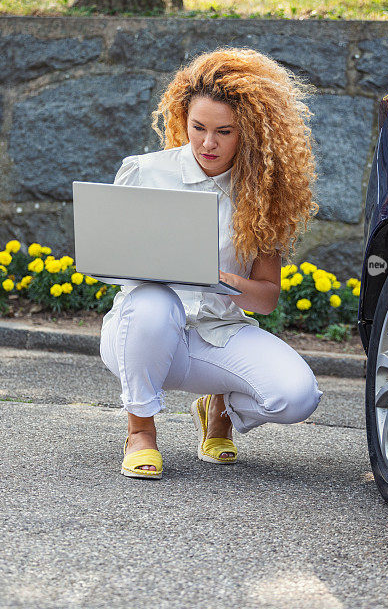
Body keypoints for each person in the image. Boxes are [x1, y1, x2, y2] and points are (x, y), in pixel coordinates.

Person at [99, 47, 324, 478]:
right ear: (182, 117)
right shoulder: (144, 172)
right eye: (198, 127)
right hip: (141, 331)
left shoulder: (263, 194)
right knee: (153, 302)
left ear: (252, 133)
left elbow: (265, 299)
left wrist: (219, 279)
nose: (207, 143)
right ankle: (141, 432)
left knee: (297, 396)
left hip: (217, 334)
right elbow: (113, 261)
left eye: (224, 132)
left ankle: (217, 409)